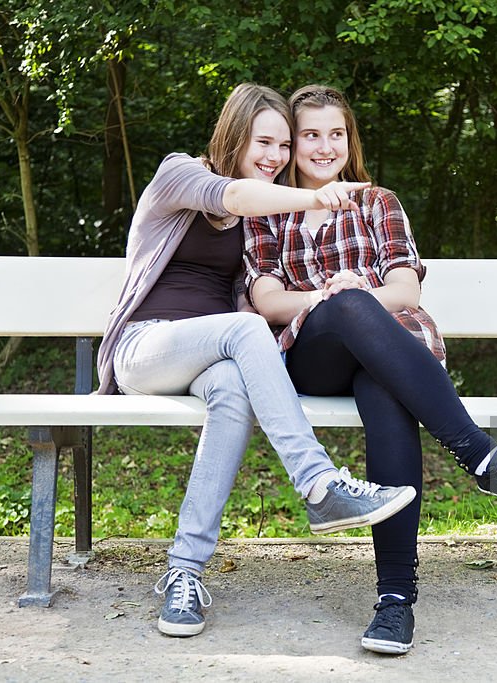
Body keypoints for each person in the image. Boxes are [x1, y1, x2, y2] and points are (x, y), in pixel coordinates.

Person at [243, 84, 497, 655]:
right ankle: (480, 456)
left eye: (335, 134)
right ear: (293, 145)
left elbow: (405, 288)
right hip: (313, 353)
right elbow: (269, 303)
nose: (324, 147)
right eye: (311, 135)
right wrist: (333, 300)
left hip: (392, 350)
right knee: (345, 305)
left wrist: (360, 296)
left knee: (384, 387)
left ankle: (395, 602)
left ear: (350, 139)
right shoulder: (268, 208)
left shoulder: (378, 202)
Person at [96, 83, 416, 638]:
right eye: (262, 142)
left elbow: (258, 300)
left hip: (211, 356)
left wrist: (330, 297)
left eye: (283, 147)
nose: (275, 157)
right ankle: (319, 485)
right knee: (245, 332)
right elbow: (236, 197)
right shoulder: (182, 174)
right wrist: (319, 197)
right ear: (233, 136)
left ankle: (183, 573)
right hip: (145, 346)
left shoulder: (258, 220)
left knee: (235, 387)